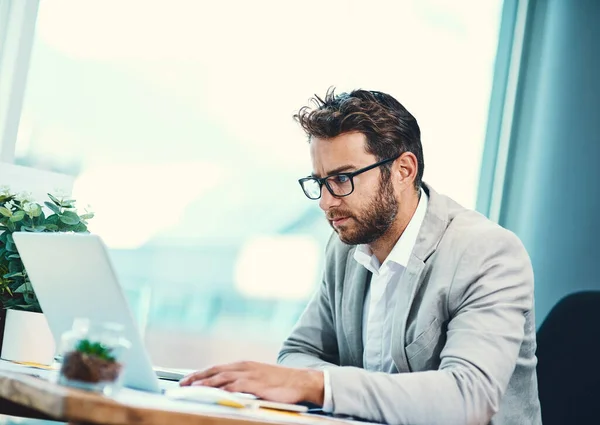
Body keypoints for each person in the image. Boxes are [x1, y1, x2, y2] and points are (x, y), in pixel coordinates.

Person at [180, 89, 542, 425]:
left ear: (404, 170)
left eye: (342, 179)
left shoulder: (488, 254)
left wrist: (321, 386)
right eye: (319, 182)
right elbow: (297, 353)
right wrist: (309, 382)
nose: (326, 202)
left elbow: (469, 398)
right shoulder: (344, 247)